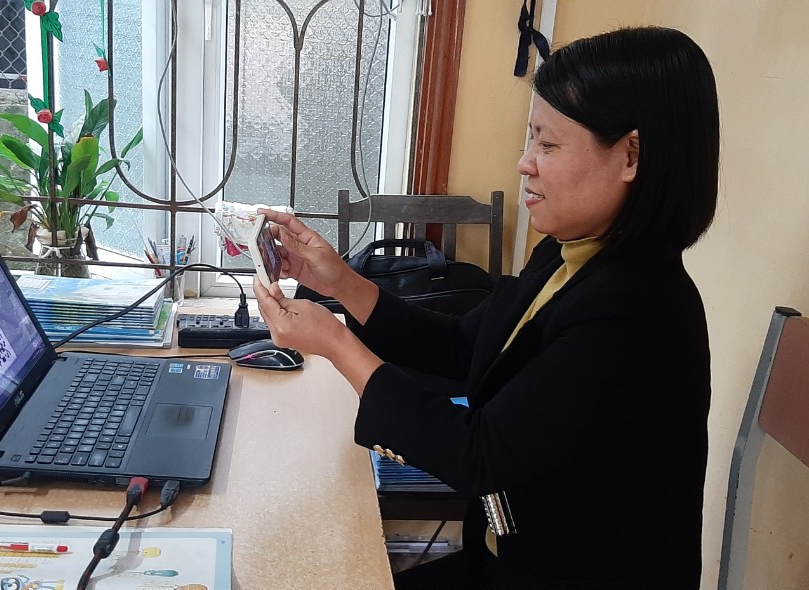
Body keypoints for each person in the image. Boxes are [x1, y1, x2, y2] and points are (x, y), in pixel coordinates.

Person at [252, 25, 719, 589]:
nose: (525, 163)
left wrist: (335, 343)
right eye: (530, 140)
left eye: (548, 145)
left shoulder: (640, 312)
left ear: (631, 155)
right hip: (508, 563)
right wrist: (340, 282)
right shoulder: (568, 254)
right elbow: (464, 345)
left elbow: (479, 452)